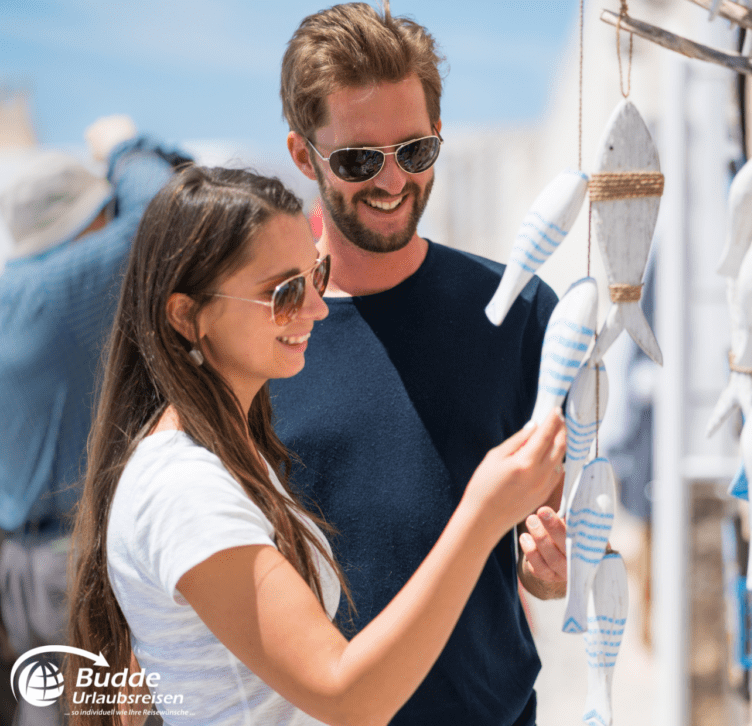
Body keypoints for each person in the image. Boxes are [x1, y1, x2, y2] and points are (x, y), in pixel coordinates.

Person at [65, 165, 566, 726]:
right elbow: (347, 697)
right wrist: (481, 516)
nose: (317, 308)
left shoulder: (229, 452)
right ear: (187, 316)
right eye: (282, 293)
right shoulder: (184, 488)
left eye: (315, 275)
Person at [273, 5, 569, 724]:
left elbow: (556, 538)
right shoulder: (266, 339)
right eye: (356, 160)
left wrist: (554, 570)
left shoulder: (522, 314)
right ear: (304, 156)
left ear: (439, 136)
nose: (391, 180)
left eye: (415, 151)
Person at [0, 117, 189, 726]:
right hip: (73, 564)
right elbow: (160, 205)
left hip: (19, 565)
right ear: (84, 224)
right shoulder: (63, 288)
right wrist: (123, 144)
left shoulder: (13, 295)